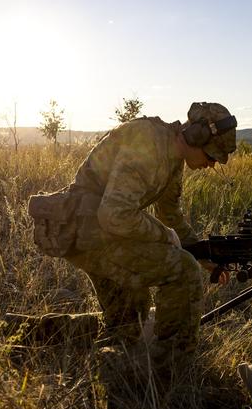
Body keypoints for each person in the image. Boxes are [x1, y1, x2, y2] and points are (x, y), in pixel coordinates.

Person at [64, 102, 237, 366]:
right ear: (195, 136)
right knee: (183, 270)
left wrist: (202, 253)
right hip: (87, 236)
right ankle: (168, 370)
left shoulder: (172, 156)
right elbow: (114, 213)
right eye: (212, 156)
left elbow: (170, 215)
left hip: (99, 236)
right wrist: (165, 236)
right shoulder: (148, 142)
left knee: (128, 327)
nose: (212, 165)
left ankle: (29, 334)